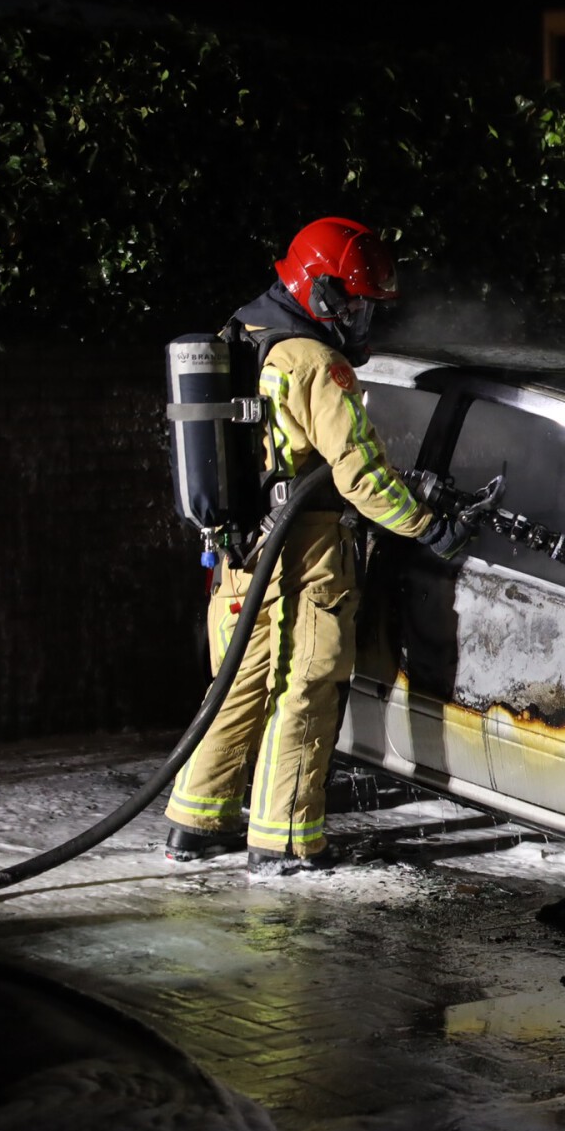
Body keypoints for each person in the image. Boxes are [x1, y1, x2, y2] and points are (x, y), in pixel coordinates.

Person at [162, 217, 475, 877]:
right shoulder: (314, 361)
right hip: (300, 556)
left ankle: (195, 821)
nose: (363, 317)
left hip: (243, 550)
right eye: (357, 302)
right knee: (304, 686)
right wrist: (425, 524)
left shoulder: (243, 334)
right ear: (323, 291)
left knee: (237, 686)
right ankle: (284, 843)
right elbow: (358, 473)